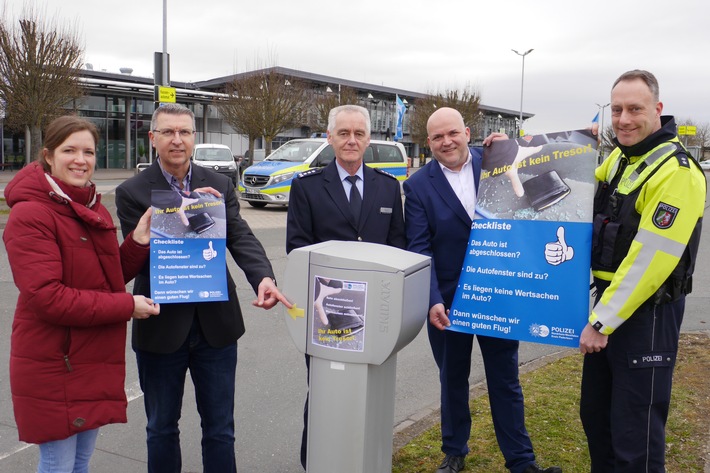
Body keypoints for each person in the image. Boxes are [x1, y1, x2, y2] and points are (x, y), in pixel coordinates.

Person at [115, 103, 291, 473]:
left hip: (216, 327)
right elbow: (137, 259)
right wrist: (192, 213)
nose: (177, 140)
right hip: (161, 326)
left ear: (195, 138)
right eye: (168, 132)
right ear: (153, 139)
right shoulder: (132, 192)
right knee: (161, 429)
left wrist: (263, 277)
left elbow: (239, 236)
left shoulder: (220, 184)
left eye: (184, 132)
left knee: (220, 430)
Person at [404, 107, 562, 473]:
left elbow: (535, 180)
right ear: (429, 143)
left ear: (467, 132)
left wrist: (512, 149)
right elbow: (418, 247)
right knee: (452, 379)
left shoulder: (494, 161)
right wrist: (432, 301)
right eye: (438, 137)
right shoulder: (416, 186)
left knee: (505, 379)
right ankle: (454, 451)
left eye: (453, 133)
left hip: (499, 296)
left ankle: (521, 461)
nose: (447, 142)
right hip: (447, 303)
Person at [3, 115, 159, 473]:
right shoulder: (31, 214)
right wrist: (126, 306)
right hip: (55, 362)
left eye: (88, 151)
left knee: (79, 463)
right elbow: (48, 298)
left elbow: (105, 279)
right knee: (59, 464)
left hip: (85, 360)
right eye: (69, 150)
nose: (80, 159)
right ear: (48, 156)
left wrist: (137, 241)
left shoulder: (89, 205)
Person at [579, 70, 705, 472]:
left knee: (635, 435)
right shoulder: (620, 157)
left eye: (635, 109)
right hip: (611, 309)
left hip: (646, 315)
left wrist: (601, 322)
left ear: (658, 110)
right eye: (617, 110)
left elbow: (651, 259)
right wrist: (517, 151)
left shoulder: (678, 173)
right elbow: (575, 189)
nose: (624, 119)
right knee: (597, 419)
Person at [286, 104, 406, 469]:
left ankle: (364, 460)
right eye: (343, 133)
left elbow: (398, 249)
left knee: (371, 391)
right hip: (327, 314)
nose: (351, 141)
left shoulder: (388, 188)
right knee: (324, 391)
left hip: (376, 315)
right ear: (330, 138)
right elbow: (297, 248)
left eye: (358, 134)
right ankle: (316, 461)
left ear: (369, 139)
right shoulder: (306, 187)